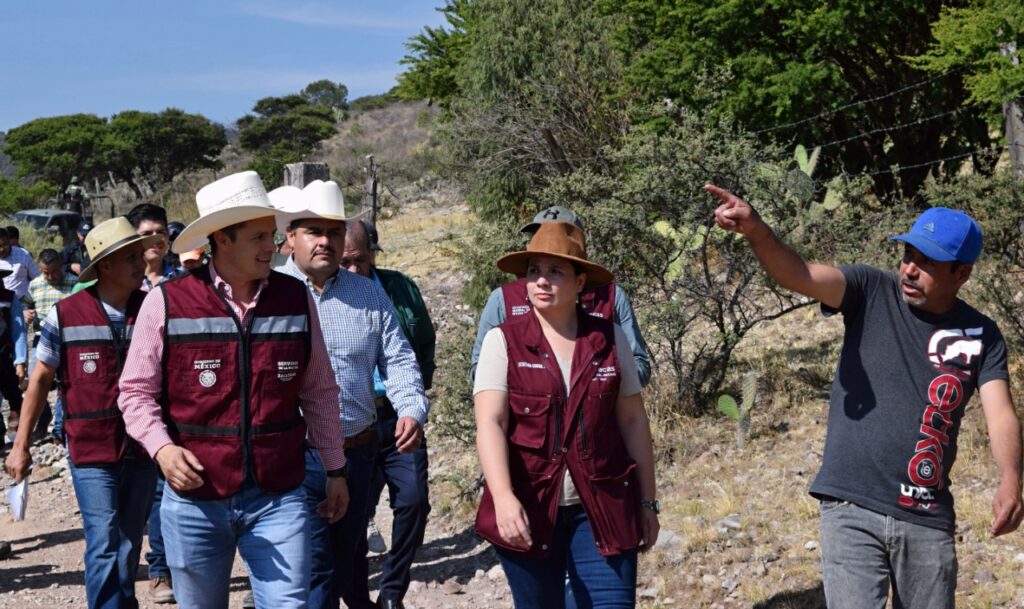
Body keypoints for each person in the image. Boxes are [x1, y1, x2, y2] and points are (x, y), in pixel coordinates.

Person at [706, 184, 1024, 609]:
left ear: (961, 274)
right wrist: (757, 231)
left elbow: (999, 412)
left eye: (927, 262)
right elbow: (799, 274)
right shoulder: (869, 290)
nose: (909, 269)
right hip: (850, 504)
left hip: (927, 515)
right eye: (908, 254)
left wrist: (1010, 478)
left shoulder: (982, 334)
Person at [117, 171, 350, 609]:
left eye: (273, 235)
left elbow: (318, 391)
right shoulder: (166, 302)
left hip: (279, 495)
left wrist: (335, 469)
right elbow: (134, 393)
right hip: (194, 499)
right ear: (222, 239)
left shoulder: (296, 299)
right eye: (260, 236)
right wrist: (162, 450)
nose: (273, 246)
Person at [474, 221, 659, 609]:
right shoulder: (503, 341)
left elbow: (632, 421)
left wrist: (647, 502)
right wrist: (504, 499)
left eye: (555, 271)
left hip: (603, 507)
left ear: (580, 282)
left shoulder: (610, 339)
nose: (542, 281)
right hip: (529, 508)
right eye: (534, 271)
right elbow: (491, 422)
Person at [276, 180, 428, 609]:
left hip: (357, 451)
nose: (326, 241)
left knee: (348, 558)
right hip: (296, 456)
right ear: (290, 237)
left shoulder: (369, 293)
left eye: (334, 232)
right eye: (314, 232)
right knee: (314, 568)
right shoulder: (272, 295)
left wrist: (411, 408)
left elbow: (398, 359)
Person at [5, 217, 162, 609]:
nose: (140, 264)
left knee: (129, 540)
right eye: (129, 257)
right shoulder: (66, 314)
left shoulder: (154, 310)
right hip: (91, 448)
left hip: (143, 449)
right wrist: (20, 446)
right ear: (104, 266)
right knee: (104, 539)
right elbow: (40, 381)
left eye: (139, 255)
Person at [344, 219, 434, 609]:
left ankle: (393, 591)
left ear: (373, 255)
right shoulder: (324, 295)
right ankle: (357, 595)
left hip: (399, 414)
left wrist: (414, 400)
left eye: (359, 261)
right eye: (344, 262)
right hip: (353, 421)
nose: (352, 270)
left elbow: (423, 341)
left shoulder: (398, 287)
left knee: (413, 501)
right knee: (354, 513)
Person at [471, 206, 651, 387]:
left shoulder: (612, 297)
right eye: (538, 235)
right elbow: (479, 371)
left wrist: (600, 378)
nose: (547, 245)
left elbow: (640, 367)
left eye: (558, 240)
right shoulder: (503, 299)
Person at [25, 249, 77, 443]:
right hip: (41, 340)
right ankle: (43, 415)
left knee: (65, 385)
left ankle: (58, 429)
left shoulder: (74, 284)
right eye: (45, 272)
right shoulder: (35, 285)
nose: (50, 276)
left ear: (61, 266)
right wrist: (26, 313)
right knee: (35, 381)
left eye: (54, 271)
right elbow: (25, 305)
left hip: (67, 340)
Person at [0, 260, 28, 440]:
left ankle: (16, 432)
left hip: (4, 355)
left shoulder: (9, 299)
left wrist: (20, 361)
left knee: (14, 395)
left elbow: (19, 331)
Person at [126, 204, 178, 291]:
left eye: (160, 232)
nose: (156, 239)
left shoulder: (182, 278)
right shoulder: (124, 284)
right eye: (147, 234)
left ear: (168, 234)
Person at [0, 227, 40, 301]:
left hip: (22, 302)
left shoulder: (23, 254)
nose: (2, 249)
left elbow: (37, 279)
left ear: (9, 242)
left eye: (4, 245)